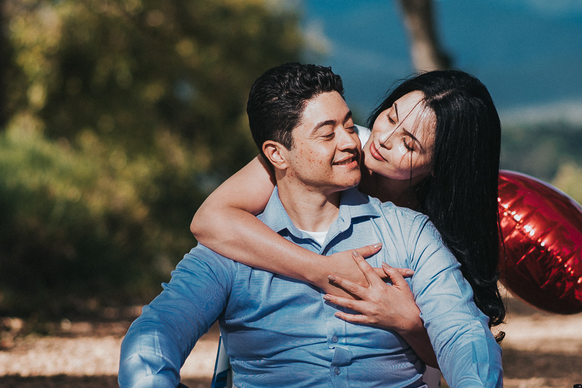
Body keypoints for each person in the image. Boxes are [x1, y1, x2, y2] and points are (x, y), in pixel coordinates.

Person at [118, 63, 506, 388]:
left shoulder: (412, 232)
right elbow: (157, 329)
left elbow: (461, 329)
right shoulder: (236, 244)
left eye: (349, 125)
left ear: (437, 166)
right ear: (277, 154)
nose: (357, 141)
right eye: (330, 133)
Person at [190, 68, 506, 369]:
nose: (384, 139)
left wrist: (409, 324)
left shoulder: (439, 225)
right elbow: (209, 220)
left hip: (394, 378)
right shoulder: (326, 151)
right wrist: (320, 270)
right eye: (391, 116)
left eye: (408, 144)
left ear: (440, 164)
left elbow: (461, 355)